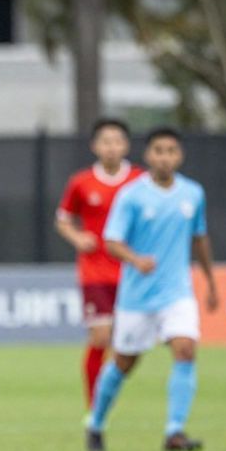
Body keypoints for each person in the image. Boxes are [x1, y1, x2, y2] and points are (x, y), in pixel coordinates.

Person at [85, 127, 218, 451]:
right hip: (137, 297)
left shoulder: (193, 193)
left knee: (185, 349)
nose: (165, 157)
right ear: (148, 155)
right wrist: (136, 259)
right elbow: (112, 241)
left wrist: (211, 281)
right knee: (124, 362)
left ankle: (175, 432)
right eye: (159, 151)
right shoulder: (131, 195)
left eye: (171, 151)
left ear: (179, 155)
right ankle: (96, 423)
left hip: (177, 293)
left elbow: (200, 238)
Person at [55, 119, 144, 408]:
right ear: (95, 146)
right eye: (106, 141)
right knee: (100, 336)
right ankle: (94, 408)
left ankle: (106, 396)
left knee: (129, 345)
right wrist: (78, 237)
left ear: (126, 145)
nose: (111, 147)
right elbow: (63, 219)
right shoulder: (81, 182)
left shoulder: (140, 181)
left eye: (117, 141)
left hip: (132, 272)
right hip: (95, 272)